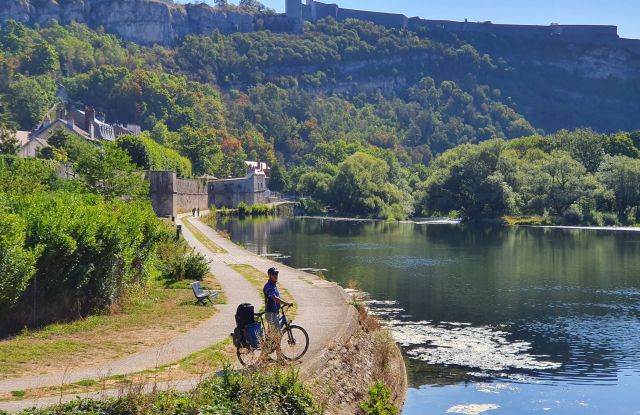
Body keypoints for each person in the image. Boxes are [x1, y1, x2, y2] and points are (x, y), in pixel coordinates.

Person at [263, 267, 293, 333]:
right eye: (273, 274)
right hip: (271, 313)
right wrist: (286, 303)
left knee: (274, 334)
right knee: (277, 334)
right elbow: (274, 298)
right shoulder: (268, 286)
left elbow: (277, 298)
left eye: (276, 274)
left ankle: (269, 341)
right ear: (269, 275)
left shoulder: (273, 285)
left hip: (275, 312)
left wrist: (283, 304)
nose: (275, 275)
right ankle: (270, 342)